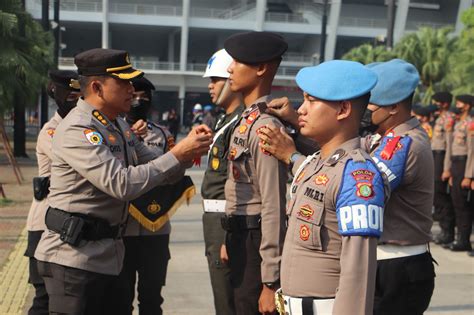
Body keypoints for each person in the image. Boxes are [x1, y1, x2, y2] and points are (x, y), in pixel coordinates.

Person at [33, 48, 213, 315]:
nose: (132, 89)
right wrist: (176, 154)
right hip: (73, 260)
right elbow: (121, 184)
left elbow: (156, 165)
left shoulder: (116, 124)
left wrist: (188, 153)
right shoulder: (78, 129)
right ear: (97, 87)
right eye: (124, 82)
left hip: (109, 257)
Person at [257, 60, 386, 315]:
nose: (301, 110)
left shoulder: (358, 175)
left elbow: (358, 273)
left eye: (311, 101)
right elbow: (311, 176)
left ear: (343, 109)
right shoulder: (318, 162)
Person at [220, 31, 289, 315]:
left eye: (237, 62)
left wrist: (270, 280)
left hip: (256, 244)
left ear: (261, 68)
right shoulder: (246, 120)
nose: (229, 68)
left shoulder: (265, 127)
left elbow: (274, 203)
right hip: (241, 237)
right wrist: (228, 240)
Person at [364, 59, 435, 315]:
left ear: (393, 107)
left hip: (397, 267)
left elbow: (362, 192)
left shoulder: (405, 144)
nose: (364, 110)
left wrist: (294, 159)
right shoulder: (382, 138)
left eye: (369, 104)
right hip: (385, 263)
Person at [112, 76, 185, 315]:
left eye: (144, 98)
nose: (138, 101)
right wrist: (132, 138)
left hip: (156, 229)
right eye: (134, 96)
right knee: (121, 298)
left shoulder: (163, 135)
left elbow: (175, 175)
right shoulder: (112, 133)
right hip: (124, 228)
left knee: (152, 298)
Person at [25, 70, 80, 315]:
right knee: (43, 299)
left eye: (78, 93)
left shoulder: (80, 127)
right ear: (56, 93)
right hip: (44, 225)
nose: (74, 97)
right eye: (69, 93)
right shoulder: (51, 131)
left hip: (67, 224)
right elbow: (77, 162)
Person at [201, 48, 244, 315]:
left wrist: (229, 234)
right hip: (215, 219)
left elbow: (240, 186)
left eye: (215, 79)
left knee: (229, 299)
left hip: (225, 220)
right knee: (222, 296)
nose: (210, 86)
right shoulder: (224, 120)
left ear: (231, 79)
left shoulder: (240, 122)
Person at [441, 94, 473, 251]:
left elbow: (472, 151)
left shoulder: (471, 124)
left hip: (465, 163)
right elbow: (450, 149)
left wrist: (469, 175)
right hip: (456, 164)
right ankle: (459, 238)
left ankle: (464, 240)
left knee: (464, 206)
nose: (457, 105)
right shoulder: (457, 123)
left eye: (460, 103)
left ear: (467, 106)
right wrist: (449, 170)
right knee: (457, 203)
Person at [431, 92, 456, 244]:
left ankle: (448, 231)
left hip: (442, 157)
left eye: (439, 102)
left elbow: (449, 145)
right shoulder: (440, 118)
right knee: (436, 194)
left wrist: (447, 168)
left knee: (442, 195)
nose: (437, 105)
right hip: (435, 155)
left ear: (445, 103)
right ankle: (443, 229)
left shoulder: (449, 119)